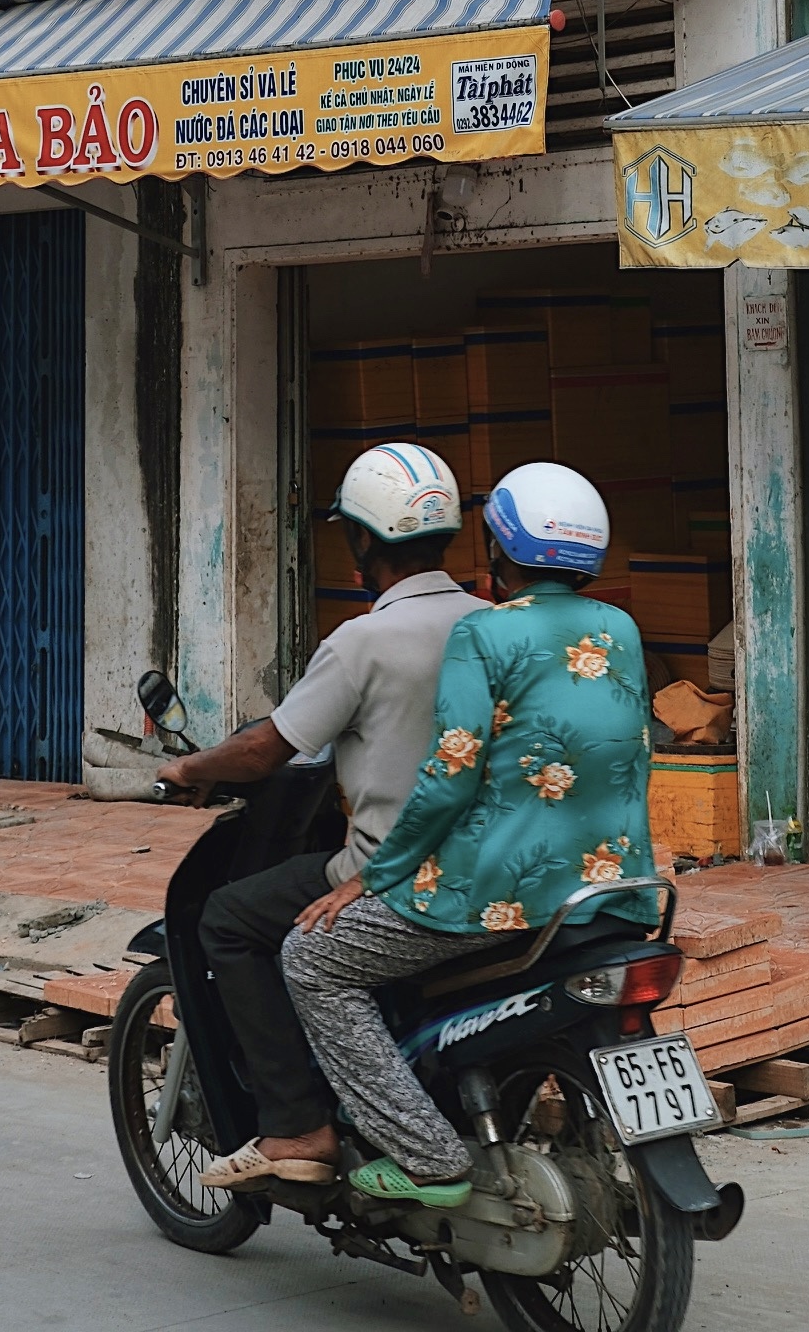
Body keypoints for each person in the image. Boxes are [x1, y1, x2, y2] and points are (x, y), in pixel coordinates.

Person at [281, 461, 656, 1207]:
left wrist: (373, 876)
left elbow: (448, 779)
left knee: (311, 959)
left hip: (499, 893)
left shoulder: (485, 633)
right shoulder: (621, 627)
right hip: (610, 888)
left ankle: (428, 1156)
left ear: (498, 549)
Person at [151, 443, 486, 1195]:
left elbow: (267, 749)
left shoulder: (361, 642)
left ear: (362, 541)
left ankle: (296, 1125)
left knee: (231, 920)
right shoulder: (493, 624)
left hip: (388, 874)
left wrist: (191, 767)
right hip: (490, 869)